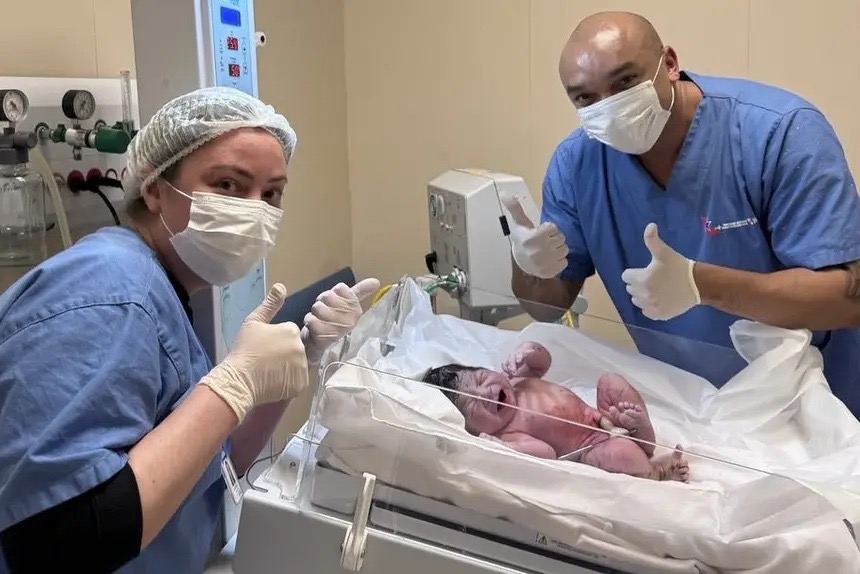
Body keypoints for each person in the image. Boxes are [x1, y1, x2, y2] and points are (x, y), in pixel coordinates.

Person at [0, 87, 379, 573]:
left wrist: (296, 359)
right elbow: (58, 543)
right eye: (227, 184)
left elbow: (212, 466)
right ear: (155, 187)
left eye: (272, 193)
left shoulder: (165, 290)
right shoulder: (113, 290)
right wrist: (233, 382)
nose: (255, 210)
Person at [507, 11, 860, 418]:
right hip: (694, 411)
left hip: (816, 409)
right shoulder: (577, 163)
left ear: (670, 64)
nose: (611, 107)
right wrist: (527, 268)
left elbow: (848, 299)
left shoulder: (780, 133)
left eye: (625, 82)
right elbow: (548, 307)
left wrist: (701, 284)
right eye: (585, 98)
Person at [422, 341, 690, 482]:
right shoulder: (509, 433)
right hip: (589, 446)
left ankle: (642, 431)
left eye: (481, 379)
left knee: (611, 382)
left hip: (603, 416)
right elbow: (546, 452)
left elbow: (542, 362)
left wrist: (528, 350)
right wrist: (504, 449)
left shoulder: (516, 381)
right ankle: (657, 472)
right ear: (474, 428)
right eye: (474, 403)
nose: (486, 393)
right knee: (621, 455)